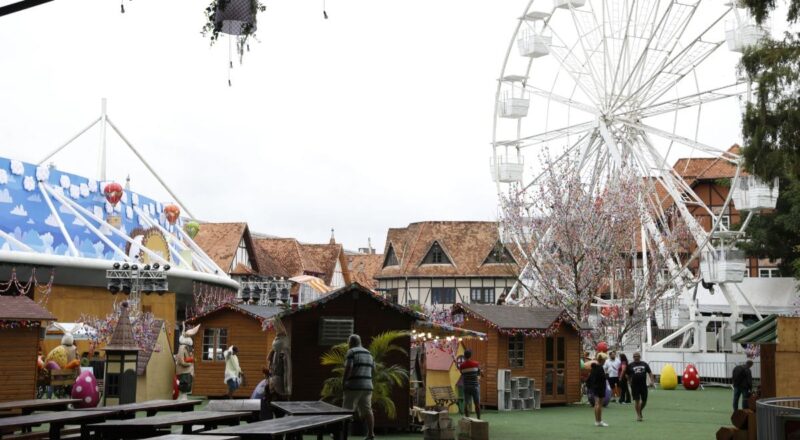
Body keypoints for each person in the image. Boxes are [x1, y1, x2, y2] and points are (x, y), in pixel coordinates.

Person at [343, 334, 376, 440]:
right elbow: (374, 370)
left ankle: (343, 435)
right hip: (367, 387)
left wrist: (344, 381)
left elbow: (349, 367)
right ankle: (370, 434)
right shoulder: (369, 353)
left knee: (346, 411)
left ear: (351, 342)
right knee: (368, 410)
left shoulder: (351, 352)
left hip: (353, 386)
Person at [627, 352, 656, 421]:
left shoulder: (644, 364)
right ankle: (638, 415)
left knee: (644, 401)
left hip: (643, 385)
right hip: (634, 386)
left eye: (637, 356)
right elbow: (627, 374)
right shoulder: (630, 365)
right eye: (634, 356)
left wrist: (652, 381)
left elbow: (650, 373)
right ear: (633, 357)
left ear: (640, 357)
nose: (636, 357)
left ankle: (639, 411)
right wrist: (629, 381)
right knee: (637, 401)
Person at [587, 352, 609, 427]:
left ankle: (597, 421)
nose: (605, 361)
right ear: (602, 360)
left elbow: (591, 378)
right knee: (599, 404)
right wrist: (606, 375)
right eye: (605, 360)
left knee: (597, 404)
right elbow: (602, 378)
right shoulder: (600, 368)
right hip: (600, 388)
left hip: (595, 388)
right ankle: (599, 421)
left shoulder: (594, 368)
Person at [459, 349, 481, 419]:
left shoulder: (462, 366)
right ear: (471, 355)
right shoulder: (476, 364)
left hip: (466, 386)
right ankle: (478, 419)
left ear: (464, 356)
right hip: (475, 386)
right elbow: (478, 373)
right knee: (477, 403)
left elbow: (462, 374)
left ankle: (467, 419)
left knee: (467, 403)